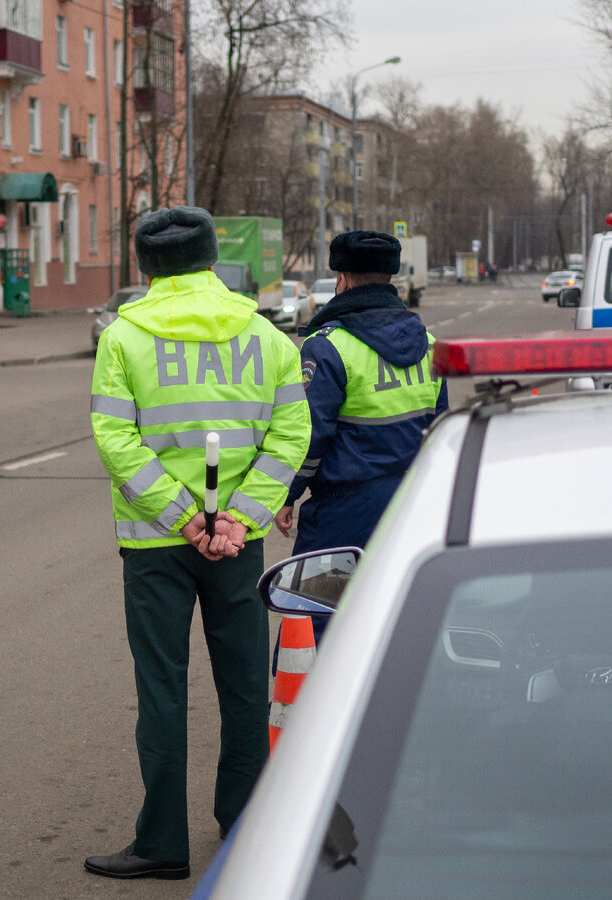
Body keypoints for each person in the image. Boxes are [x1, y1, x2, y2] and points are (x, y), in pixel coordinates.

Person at [85, 206, 311, 880]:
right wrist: (239, 517)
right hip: (235, 544)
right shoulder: (266, 336)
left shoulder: (123, 337)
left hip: (155, 543)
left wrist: (181, 516)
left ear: (144, 266)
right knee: (243, 685)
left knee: (162, 689)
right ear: (214, 258)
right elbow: (290, 434)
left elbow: (115, 439)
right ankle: (244, 826)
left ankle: (161, 844)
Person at [275, 231, 448, 612]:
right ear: (390, 278)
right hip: (411, 504)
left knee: (315, 618)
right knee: (397, 613)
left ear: (344, 279)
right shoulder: (431, 345)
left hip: (344, 514)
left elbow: (312, 437)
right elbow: (443, 432)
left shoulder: (328, 345)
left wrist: (286, 495)